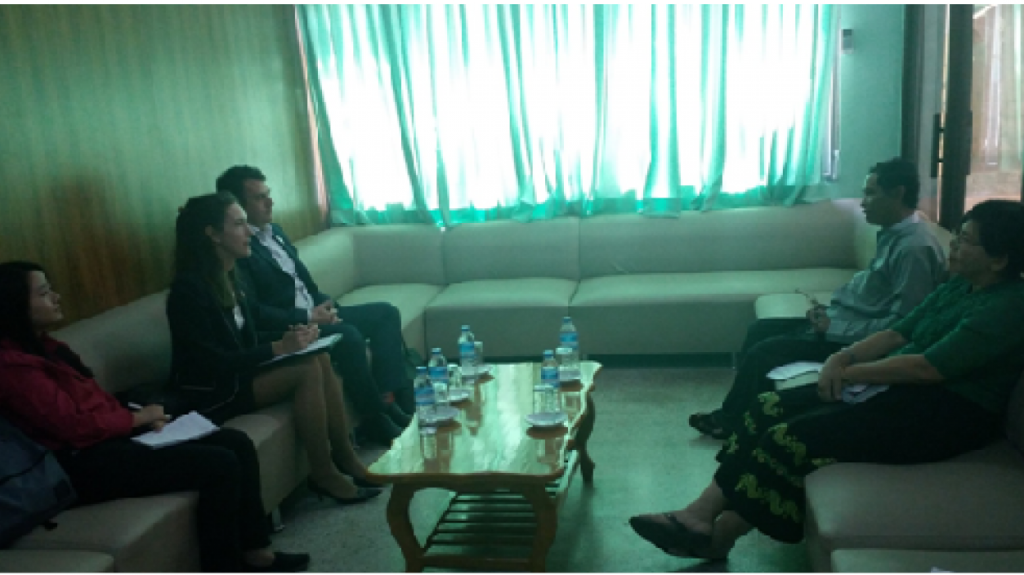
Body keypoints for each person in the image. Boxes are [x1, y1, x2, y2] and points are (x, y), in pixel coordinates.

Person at [631, 199, 1024, 560]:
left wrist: (849, 372)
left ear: (999, 259)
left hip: (947, 412)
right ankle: (700, 513)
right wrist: (842, 356)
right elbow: (898, 332)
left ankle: (720, 538)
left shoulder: (1008, 306)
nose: (953, 245)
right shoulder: (960, 286)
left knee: (788, 439)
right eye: (957, 235)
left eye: (966, 240)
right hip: (899, 388)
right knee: (766, 407)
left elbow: (930, 367)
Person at [0, 261, 311, 572]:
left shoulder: (48, 348)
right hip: (79, 465)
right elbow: (72, 426)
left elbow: (96, 403)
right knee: (220, 464)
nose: (56, 297)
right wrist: (134, 421)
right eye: (44, 293)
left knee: (236, 441)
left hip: (110, 440)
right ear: (16, 304)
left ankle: (257, 552)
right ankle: (223, 566)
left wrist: (142, 419)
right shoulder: (13, 367)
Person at [689, 158, 948, 439]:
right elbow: (874, 298)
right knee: (760, 330)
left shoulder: (914, 250)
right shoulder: (893, 234)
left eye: (871, 194)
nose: (863, 203)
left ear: (897, 193)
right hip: (841, 322)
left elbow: (901, 327)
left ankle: (733, 423)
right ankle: (741, 416)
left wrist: (834, 327)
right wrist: (829, 312)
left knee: (765, 352)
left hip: (857, 341)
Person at [165, 192, 383, 507]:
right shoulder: (188, 291)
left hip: (240, 374)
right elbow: (212, 362)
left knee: (319, 355)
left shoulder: (232, 277)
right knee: (306, 370)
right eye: (239, 224)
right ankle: (323, 473)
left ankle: (347, 459)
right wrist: (277, 348)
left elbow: (252, 329)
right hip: (213, 391)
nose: (248, 232)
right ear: (212, 234)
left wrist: (295, 336)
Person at [216, 165, 413, 445]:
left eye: (268, 194)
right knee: (349, 336)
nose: (270, 202)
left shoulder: (276, 233)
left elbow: (304, 282)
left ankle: (391, 398)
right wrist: (308, 316)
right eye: (260, 198)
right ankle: (374, 419)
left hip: (316, 313)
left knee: (385, 313)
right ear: (240, 207)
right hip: (292, 325)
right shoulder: (242, 252)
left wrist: (324, 306)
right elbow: (257, 313)